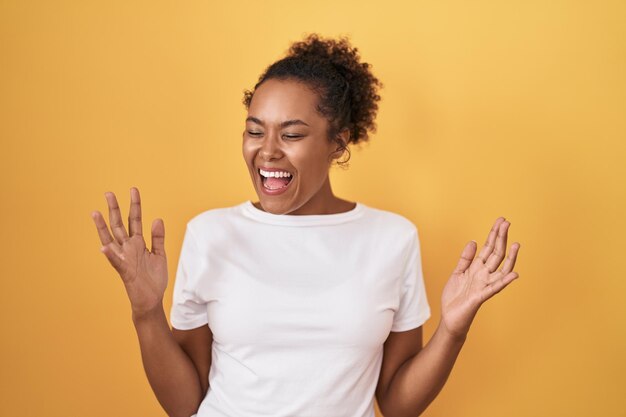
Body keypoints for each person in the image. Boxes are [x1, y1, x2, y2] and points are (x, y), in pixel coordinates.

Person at [91, 33, 521, 417]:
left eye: (292, 135)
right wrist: (147, 312)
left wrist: (452, 330)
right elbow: (185, 405)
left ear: (339, 142)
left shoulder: (392, 239)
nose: (268, 151)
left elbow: (395, 404)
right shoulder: (211, 234)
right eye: (255, 131)